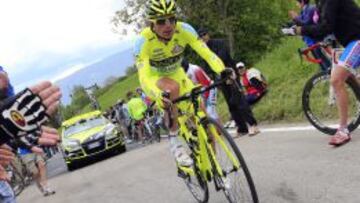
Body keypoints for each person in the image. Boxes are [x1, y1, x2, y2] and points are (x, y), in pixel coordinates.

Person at [134, 0, 228, 166]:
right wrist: (158, 94)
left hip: (178, 74)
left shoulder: (184, 30)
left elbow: (207, 53)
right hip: (155, 79)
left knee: (205, 124)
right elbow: (144, 77)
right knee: (172, 88)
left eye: (172, 19)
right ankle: (175, 141)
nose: (168, 25)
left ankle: (213, 166)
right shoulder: (143, 42)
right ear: (152, 24)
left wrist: (222, 70)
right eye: (161, 21)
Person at [290, 0, 360, 146]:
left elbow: (326, 27)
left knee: (336, 80)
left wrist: (301, 30)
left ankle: (343, 130)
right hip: (350, 42)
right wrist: (297, 27)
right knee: (349, 76)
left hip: (357, 40)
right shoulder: (321, 3)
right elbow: (321, 26)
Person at [0, 67, 61, 202]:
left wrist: (9, 131)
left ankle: (45, 186)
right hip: (23, 150)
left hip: (23, 142)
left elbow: (7, 91)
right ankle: (41, 185)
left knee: (41, 165)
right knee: (33, 172)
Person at [198, 28, 259, 136]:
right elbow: (206, 66)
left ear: (208, 34)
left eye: (204, 35)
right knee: (231, 103)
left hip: (230, 73)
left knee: (239, 100)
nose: (203, 38)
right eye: (200, 37)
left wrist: (222, 71)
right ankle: (242, 128)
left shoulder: (219, 43)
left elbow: (222, 57)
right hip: (219, 78)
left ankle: (253, 125)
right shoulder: (203, 50)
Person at [286, 0, 331, 71]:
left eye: (297, 2)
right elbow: (300, 20)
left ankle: (330, 73)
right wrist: (289, 25)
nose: (296, 4)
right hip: (309, 41)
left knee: (323, 59)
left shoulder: (311, 9)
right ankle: (325, 74)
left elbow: (306, 23)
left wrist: (295, 18)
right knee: (319, 60)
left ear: (302, 2)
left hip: (315, 39)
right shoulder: (304, 10)